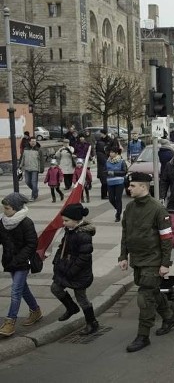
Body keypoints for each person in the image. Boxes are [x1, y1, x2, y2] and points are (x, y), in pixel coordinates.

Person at [118, 172, 174, 353]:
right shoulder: (129, 208)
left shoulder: (158, 209)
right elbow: (125, 234)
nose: (129, 188)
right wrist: (123, 256)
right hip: (138, 260)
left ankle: (143, 336)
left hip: (153, 260)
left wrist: (165, 263)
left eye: (132, 185)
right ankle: (169, 317)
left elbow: (167, 239)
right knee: (151, 292)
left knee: (144, 298)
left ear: (143, 187)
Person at [51, 204, 99, 335]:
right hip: (66, 268)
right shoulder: (70, 230)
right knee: (55, 288)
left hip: (79, 274)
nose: (63, 223)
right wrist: (56, 260)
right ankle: (71, 308)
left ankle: (92, 323)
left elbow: (84, 258)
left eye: (66, 220)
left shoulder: (83, 235)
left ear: (76, 220)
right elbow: (63, 246)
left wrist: (71, 271)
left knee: (81, 298)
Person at [1, 193, 44, 337]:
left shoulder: (26, 222)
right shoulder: (3, 221)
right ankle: (36, 310)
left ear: (16, 209)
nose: (4, 211)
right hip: (10, 261)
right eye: (4, 208)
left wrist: (19, 258)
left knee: (15, 290)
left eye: (7, 208)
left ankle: (10, 321)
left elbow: (32, 244)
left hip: (23, 262)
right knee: (22, 288)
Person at [18, 137, 45, 201]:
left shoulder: (39, 150)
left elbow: (42, 160)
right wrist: (20, 166)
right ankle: (35, 190)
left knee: (34, 182)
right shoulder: (25, 149)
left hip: (35, 169)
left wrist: (41, 169)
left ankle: (33, 196)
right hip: (27, 169)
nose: (33, 142)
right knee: (27, 182)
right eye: (32, 141)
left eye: (34, 141)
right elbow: (22, 158)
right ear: (29, 142)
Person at [105, 148, 127, 222]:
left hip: (119, 182)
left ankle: (118, 215)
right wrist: (106, 173)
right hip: (110, 182)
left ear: (116, 153)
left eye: (112, 152)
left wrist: (114, 173)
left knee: (118, 199)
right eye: (110, 152)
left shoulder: (122, 161)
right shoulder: (107, 161)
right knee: (111, 199)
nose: (110, 154)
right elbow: (104, 170)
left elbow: (124, 172)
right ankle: (118, 209)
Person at [95, 129, 109, 200]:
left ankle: (105, 195)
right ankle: (104, 195)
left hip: (103, 170)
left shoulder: (102, 153)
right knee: (104, 183)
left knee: (105, 183)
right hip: (102, 170)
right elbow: (104, 162)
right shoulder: (100, 154)